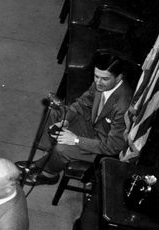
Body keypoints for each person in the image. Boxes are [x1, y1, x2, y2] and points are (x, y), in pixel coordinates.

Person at [21, 53, 132, 185]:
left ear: (119, 77)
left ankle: (49, 174)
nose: (98, 82)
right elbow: (81, 103)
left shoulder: (123, 105)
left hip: (101, 145)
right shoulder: (101, 84)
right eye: (96, 76)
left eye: (104, 79)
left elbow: (112, 146)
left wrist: (75, 140)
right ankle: (47, 158)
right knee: (54, 113)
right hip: (92, 125)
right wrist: (66, 120)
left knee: (62, 148)